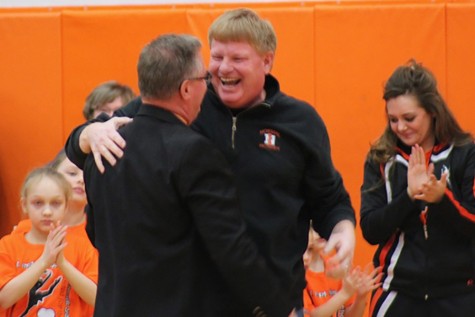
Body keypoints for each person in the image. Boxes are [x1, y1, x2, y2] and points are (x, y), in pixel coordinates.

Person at [65, 8, 356, 314]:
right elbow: (80, 145)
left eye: (237, 58)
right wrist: (88, 134)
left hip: (272, 300)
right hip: (197, 302)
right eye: (216, 57)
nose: (223, 68)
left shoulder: (301, 122)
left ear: (266, 61)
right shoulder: (182, 103)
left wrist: (342, 230)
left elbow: (330, 197)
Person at [82, 33, 295, 316]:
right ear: (185, 89)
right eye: (204, 80)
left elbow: (96, 233)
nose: (208, 87)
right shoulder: (194, 153)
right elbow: (230, 247)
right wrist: (279, 307)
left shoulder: (103, 148)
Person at [360, 59, 475, 316]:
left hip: (458, 294)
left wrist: (440, 199)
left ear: (432, 111)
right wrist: (409, 196)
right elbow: (370, 229)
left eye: (409, 118)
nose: (400, 127)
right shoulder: (381, 159)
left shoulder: (465, 153)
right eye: (393, 119)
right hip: (398, 293)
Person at [0, 167, 98, 316]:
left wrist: (63, 264)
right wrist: (44, 261)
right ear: (25, 205)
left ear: (66, 206)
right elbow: (4, 299)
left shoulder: (83, 247)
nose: (47, 211)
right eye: (38, 203)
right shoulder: (8, 245)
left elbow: (97, 298)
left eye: (55, 203)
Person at [303, 225, 381, 317]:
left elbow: (347, 315)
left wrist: (360, 297)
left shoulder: (336, 266)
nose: (321, 232)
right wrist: (345, 293)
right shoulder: (298, 274)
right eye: (313, 228)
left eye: (325, 224)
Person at [13, 150, 88, 237]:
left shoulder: (98, 233)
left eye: (88, 176)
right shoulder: (24, 230)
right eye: (72, 173)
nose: (81, 180)